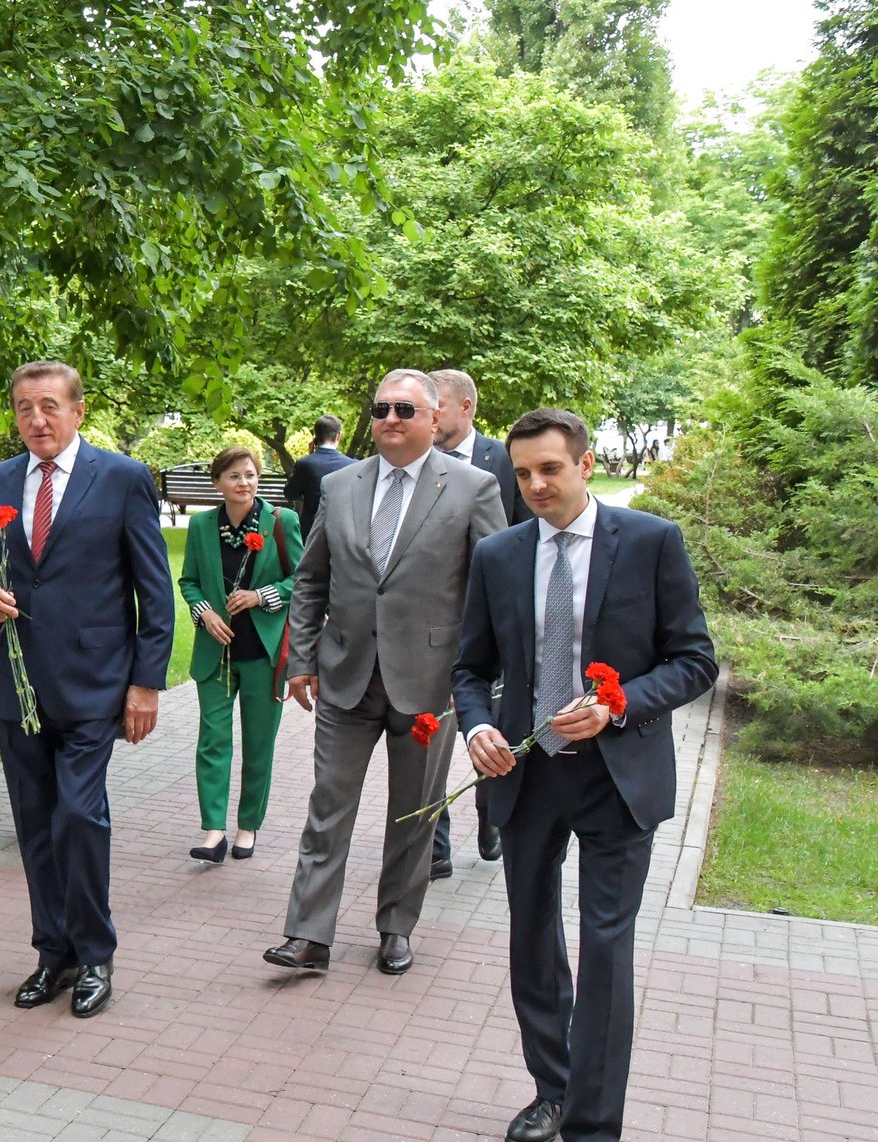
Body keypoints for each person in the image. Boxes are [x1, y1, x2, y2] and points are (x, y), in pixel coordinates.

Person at [453, 408, 716, 1142]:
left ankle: (595, 1123)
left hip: (617, 776)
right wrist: (477, 726)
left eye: (550, 469)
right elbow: (471, 667)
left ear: (586, 464)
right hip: (526, 774)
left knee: (606, 945)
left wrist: (619, 705)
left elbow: (695, 660)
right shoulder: (499, 556)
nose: (536, 485)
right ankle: (552, 1091)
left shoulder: (651, 542)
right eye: (524, 472)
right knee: (532, 938)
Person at [263, 368, 505, 978]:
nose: (390, 420)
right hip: (344, 674)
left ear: (433, 418)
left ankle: (395, 927)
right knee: (328, 806)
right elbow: (313, 577)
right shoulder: (341, 485)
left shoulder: (473, 487)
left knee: (414, 812)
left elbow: (490, 591)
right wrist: (301, 658)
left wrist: (472, 677)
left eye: (404, 410)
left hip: (429, 681)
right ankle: (308, 935)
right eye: (380, 410)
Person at [0, 360, 175, 1019]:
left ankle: (96, 953)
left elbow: (154, 593)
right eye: (24, 408)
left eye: (50, 406)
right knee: (35, 825)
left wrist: (145, 685)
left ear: (78, 412)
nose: (37, 419)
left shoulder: (122, 478)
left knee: (79, 817)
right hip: (18, 689)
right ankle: (52, 953)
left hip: (94, 683)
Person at [426, 367, 532, 877]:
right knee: (426, 737)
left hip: (488, 630)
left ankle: (491, 815)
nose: (427, 413)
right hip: (425, 634)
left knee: (486, 727)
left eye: (436, 404)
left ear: (465, 408)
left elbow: (524, 542)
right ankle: (436, 844)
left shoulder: (505, 463)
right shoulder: (408, 462)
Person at [177, 447, 303, 864]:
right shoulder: (200, 525)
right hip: (215, 652)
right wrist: (204, 613)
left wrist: (259, 596)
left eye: (250, 474)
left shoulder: (282, 522)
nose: (243, 482)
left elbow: (300, 580)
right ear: (218, 483)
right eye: (233, 476)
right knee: (212, 741)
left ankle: (248, 826)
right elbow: (189, 580)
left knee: (258, 743)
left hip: (263, 655)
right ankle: (213, 830)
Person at [282, 415, 355, 530]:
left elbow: (290, 493)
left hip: (311, 529)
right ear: (338, 436)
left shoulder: (304, 464)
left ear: (315, 435)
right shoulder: (353, 465)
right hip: (342, 530)